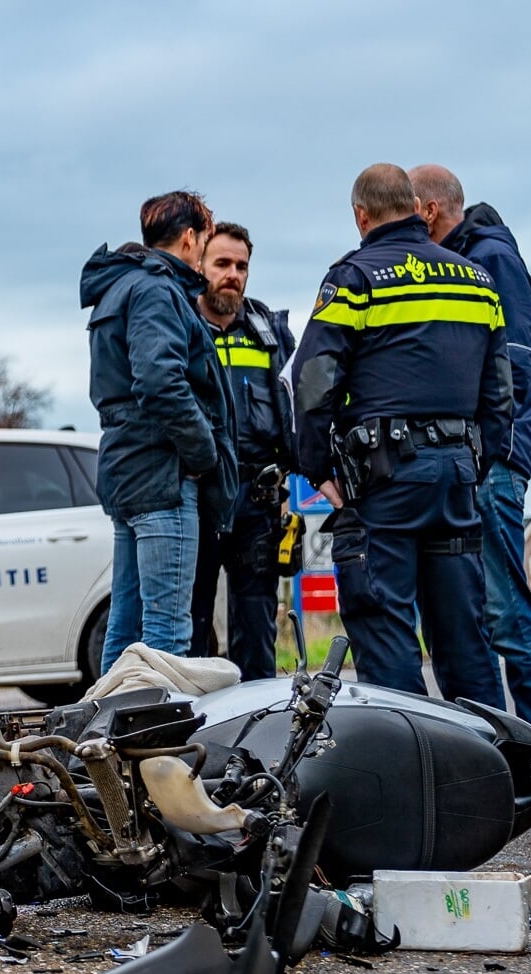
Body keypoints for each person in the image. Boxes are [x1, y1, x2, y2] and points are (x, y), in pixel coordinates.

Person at [291, 164, 512, 704]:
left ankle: (410, 781)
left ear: (360, 216)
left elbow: (313, 381)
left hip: (382, 487)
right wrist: (475, 462)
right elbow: (500, 390)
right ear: (416, 207)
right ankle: (495, 774)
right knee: (465, 636)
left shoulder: (355, 278)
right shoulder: (477, 280)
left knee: (386, 633)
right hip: (456, 478)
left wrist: (318, 467)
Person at [411, 164, 531, 781]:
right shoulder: (463, 258)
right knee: (474, 615)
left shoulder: (491, 258)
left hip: (490, 465)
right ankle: (501, 760)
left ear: (426, 210)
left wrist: (489, 451)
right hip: (473, 461)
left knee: (505, 613)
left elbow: (514, 362)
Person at [81, 191, 237, 667]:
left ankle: (104, 734)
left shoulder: (119, 287)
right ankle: (158, 742)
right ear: (190, 238)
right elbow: (159, 380)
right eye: (206, 239)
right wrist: (203, 454)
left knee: (126, 629)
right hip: (163, 475)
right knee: (167, 634)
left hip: (129, 470)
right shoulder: (156, 290)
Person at [188, 222, 297, 680]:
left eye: (241, 266)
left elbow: (289, 409)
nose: (233, 274)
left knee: (256, 626)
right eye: (222, 264)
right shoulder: (183, 328)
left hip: (257, 498)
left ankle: (259, 733)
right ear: (200, 266)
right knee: (190, 625)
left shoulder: (268, 333)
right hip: (197, 494)